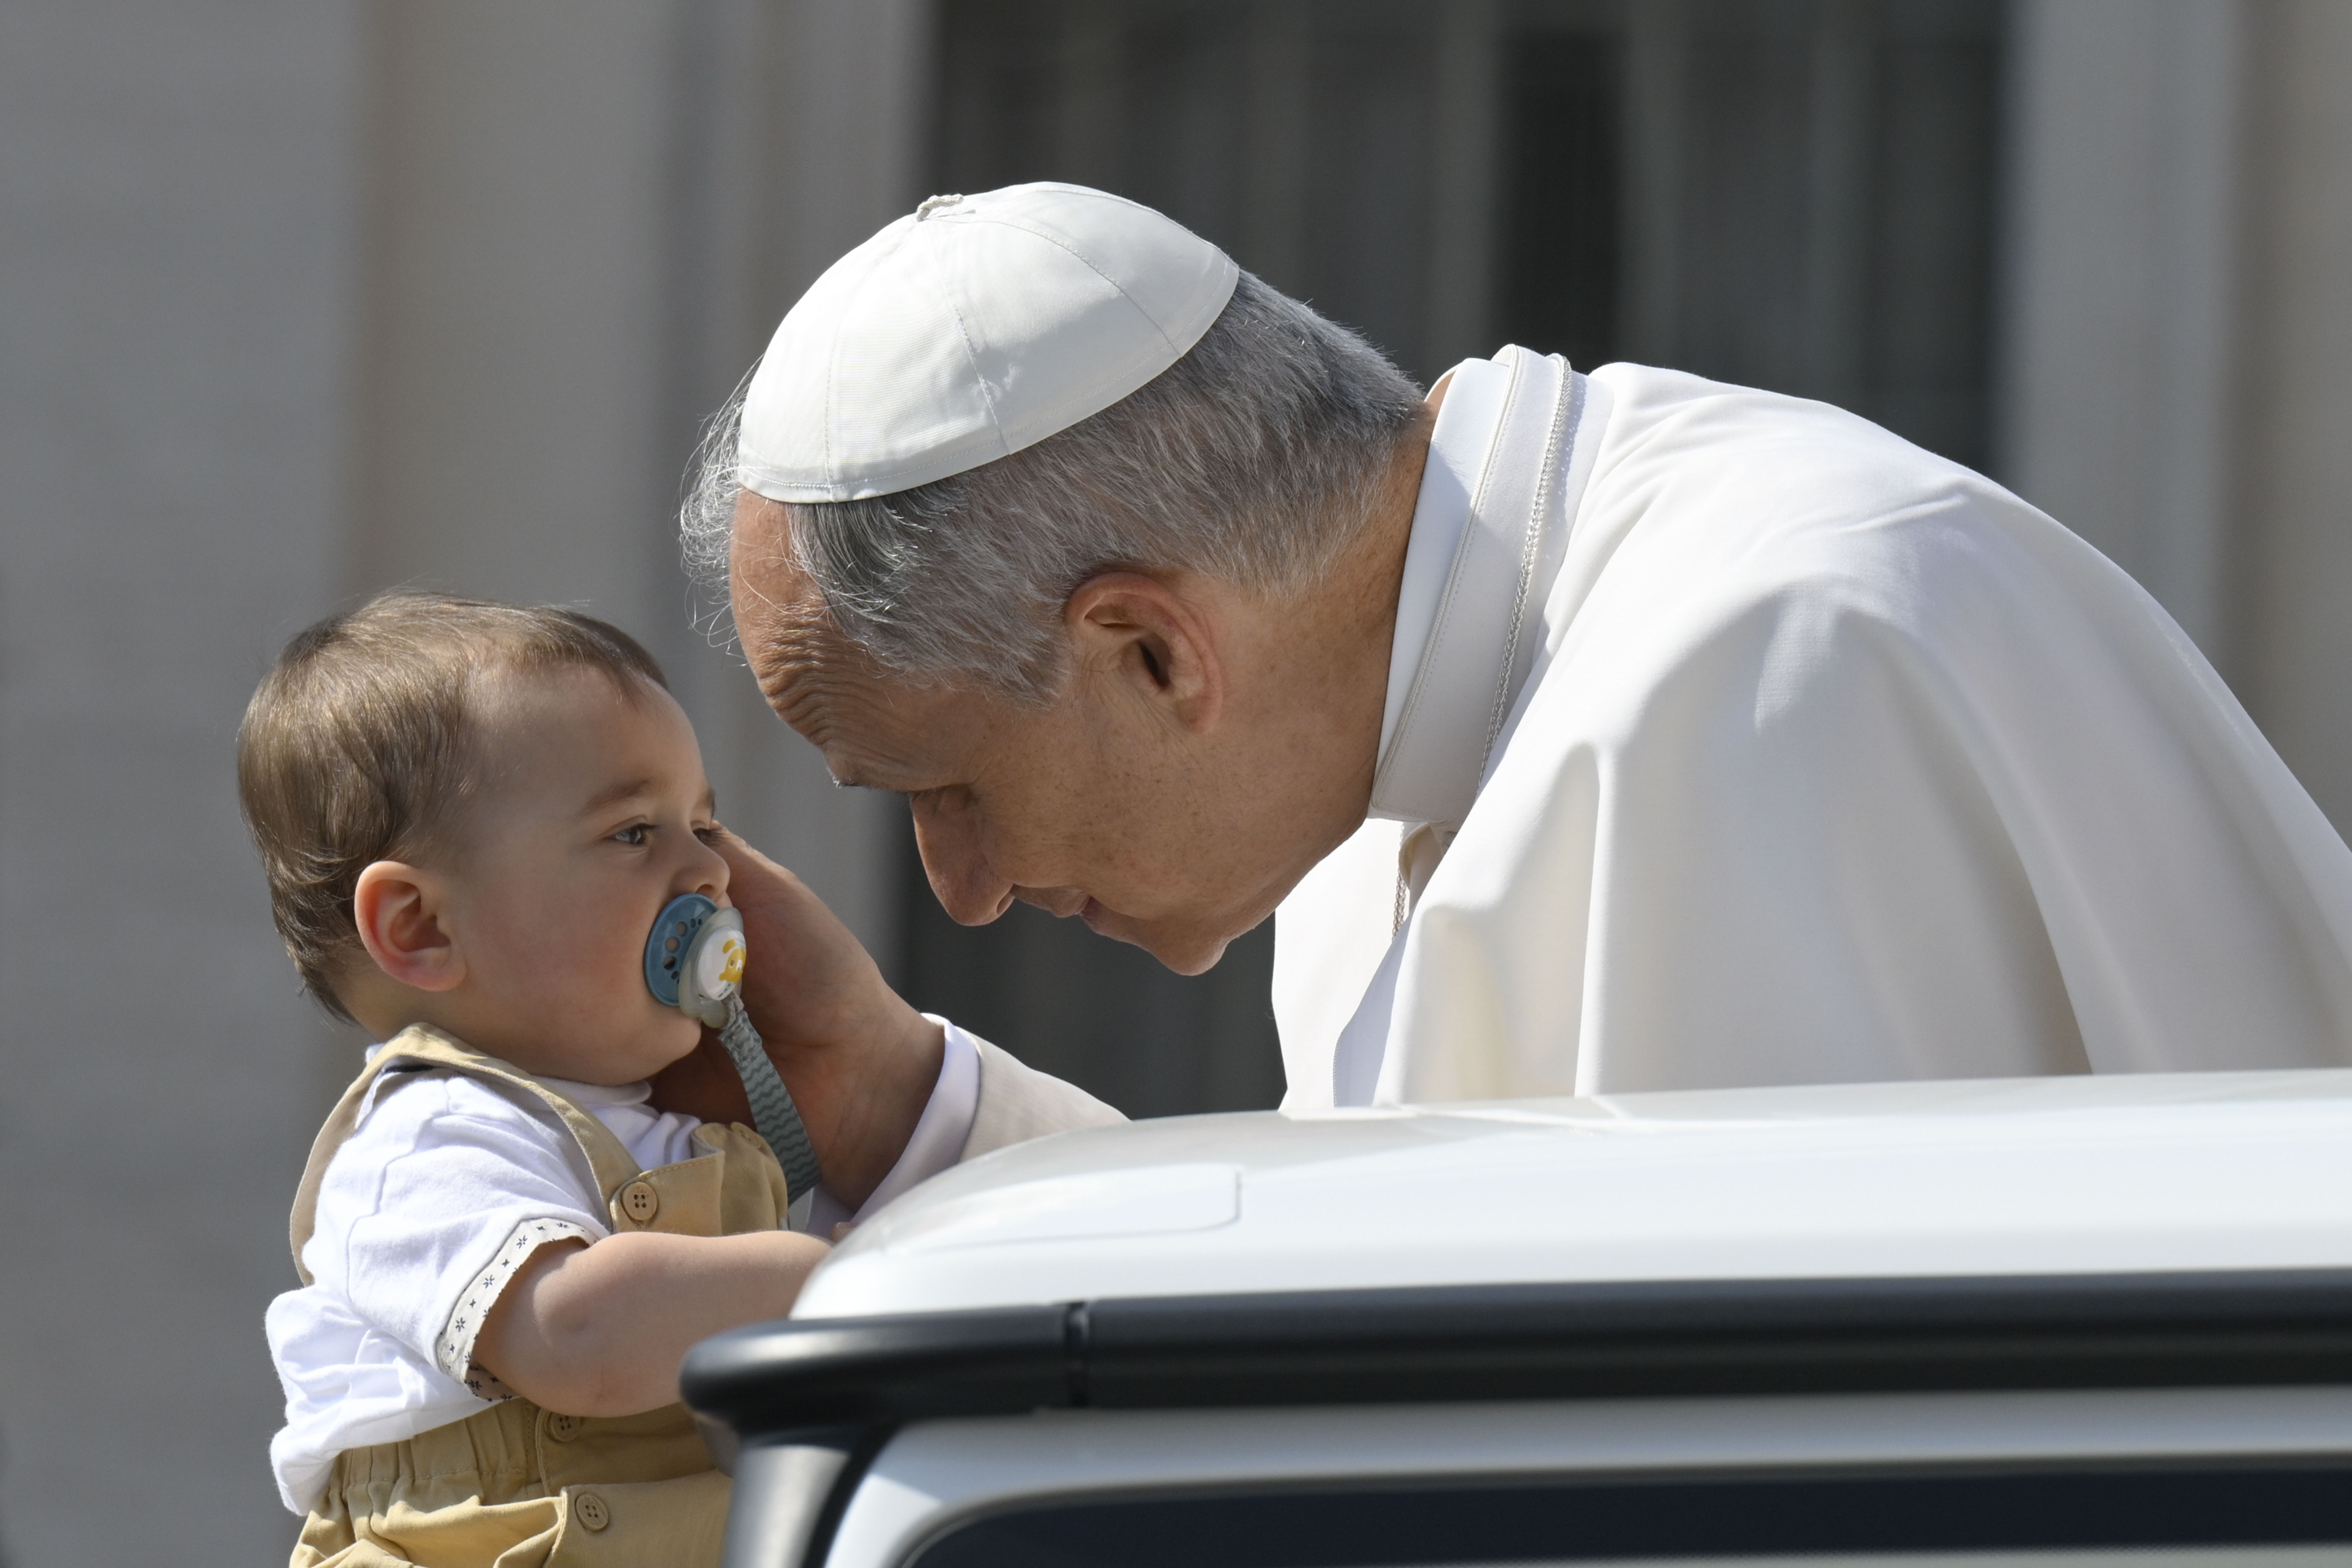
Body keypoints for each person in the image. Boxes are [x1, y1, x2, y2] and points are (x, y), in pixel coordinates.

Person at [658, 181, 2352, 1213]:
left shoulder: (1777, 669)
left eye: (943, 788)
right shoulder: (1366, 750)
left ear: (1153, 653)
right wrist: (908, 1100)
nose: (961, 888)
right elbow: (1396, 1307)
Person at [243, 593, 857, 1566]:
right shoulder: (428, 1137)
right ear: (422, 929)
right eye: (632, 833)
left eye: (705, 823)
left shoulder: (690, 1122)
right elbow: (579, 1333)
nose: (710, 869)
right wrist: (855, 1277)